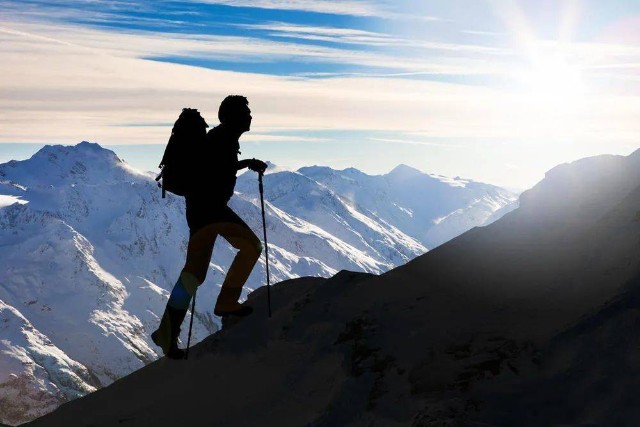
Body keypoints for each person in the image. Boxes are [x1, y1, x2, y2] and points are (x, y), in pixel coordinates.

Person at [152, 95, 268, 359]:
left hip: (200, 212)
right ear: (233, 116)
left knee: (193, 274)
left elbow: (215, 167)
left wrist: (245, 163)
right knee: (251, 246)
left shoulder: (220, 138)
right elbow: (216, 167)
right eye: (246, 113)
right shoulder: (222, 138)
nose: (250, 117)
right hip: (211, 210)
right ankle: (226, 302)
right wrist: (246, 164)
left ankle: (166, 332)